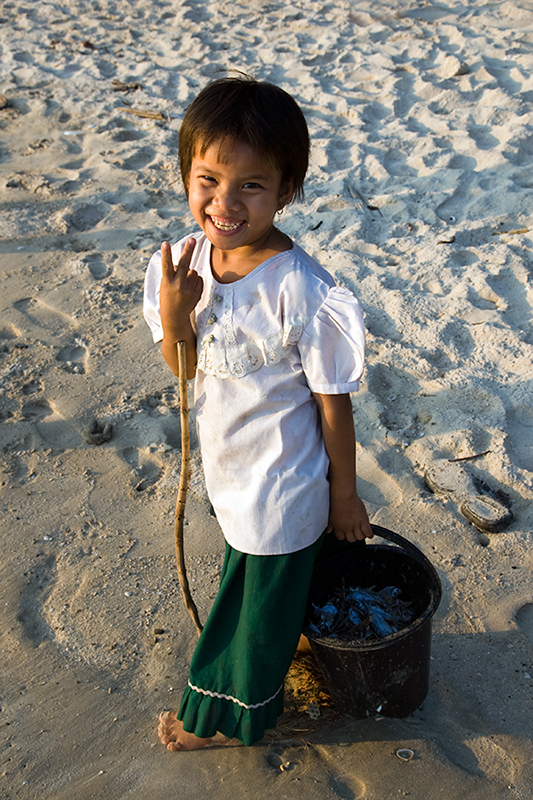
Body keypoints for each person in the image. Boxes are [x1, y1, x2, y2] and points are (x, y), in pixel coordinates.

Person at [143, 75, 373, 751]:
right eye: (208, 178)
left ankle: (220, 720)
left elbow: (334, 404)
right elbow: (183, 370)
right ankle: (296, 643)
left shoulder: (303, 290)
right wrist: (174, 314)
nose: (224, 202)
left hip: (284, 485)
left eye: (251, 185)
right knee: (267, 591)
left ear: (286, 191)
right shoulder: (184, 266)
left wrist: (344, 493)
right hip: (230, 471)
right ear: (186, 174)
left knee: (244, 613)